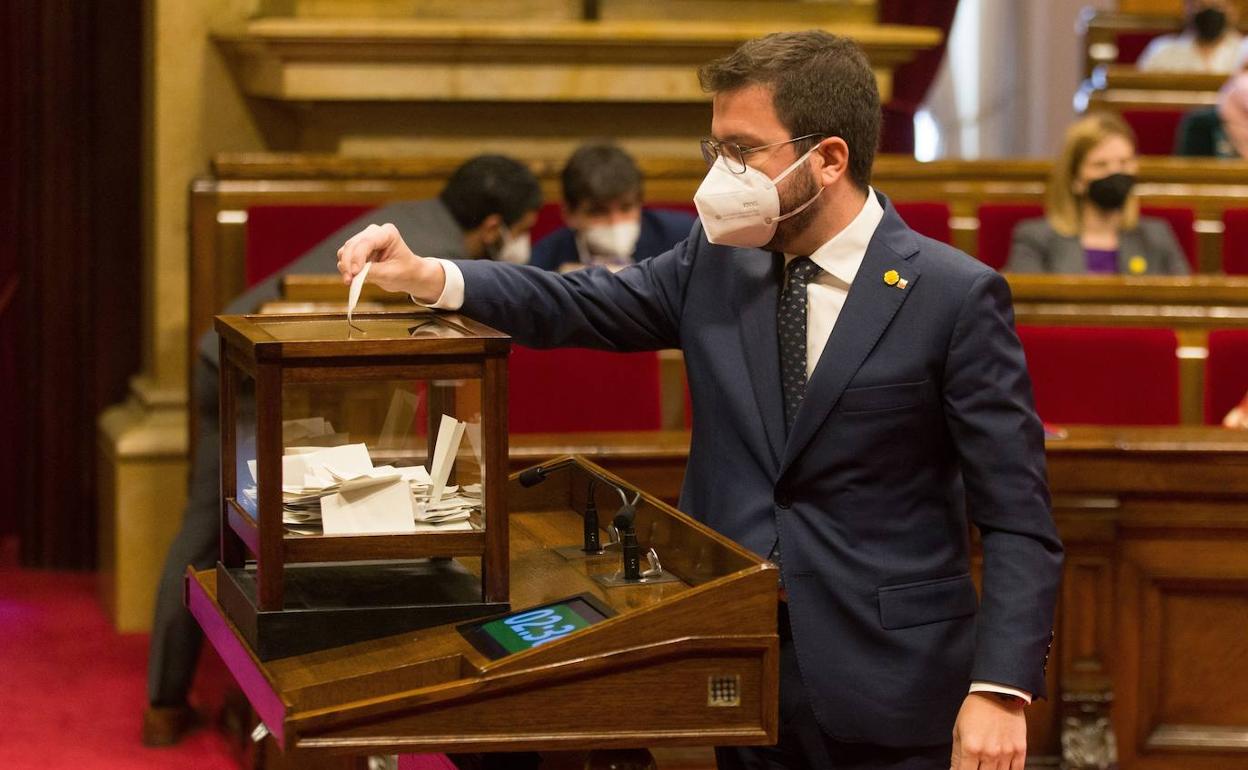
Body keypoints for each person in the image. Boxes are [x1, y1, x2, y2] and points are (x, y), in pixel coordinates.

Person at [337, 31, 1064, 770]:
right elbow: (576, 301)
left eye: (743, 153)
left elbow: (1018, 518)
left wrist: (1001, 688)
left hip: (891, 681)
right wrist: (432, 276)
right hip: (736, 658)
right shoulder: (715, 264)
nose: (721, 176)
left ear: (830, 159)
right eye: (715, 150)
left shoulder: (953, 295)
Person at [143, 154, 542, 746]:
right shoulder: (430, 258)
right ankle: (167, 702)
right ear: (492, 226)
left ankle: (173, 699)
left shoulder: (414, 220)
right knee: (214, 531)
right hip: (250, 375)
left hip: (239, 363)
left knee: (219, 528)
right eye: (524, 224)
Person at [1005, 112, 1190, 276]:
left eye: (1124, 163)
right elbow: (1029, 308)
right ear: (1075, 178)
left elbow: (1182, 303)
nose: (1115, 173)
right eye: (1101, 165)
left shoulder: (1156, 236)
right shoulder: (1035, 240)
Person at [529, 142, 695, 272]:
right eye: (598, 211)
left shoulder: (683, 239)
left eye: (626, 208)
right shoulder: (546, 260)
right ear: (570, 215)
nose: (615, 222)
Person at [1136, 0, 1245, 74]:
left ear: (1234, 11)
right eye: (1201, 5)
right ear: (1186, 9)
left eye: (1218, 5)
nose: (1209, 12)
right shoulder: (1162, 50)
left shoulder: (1245, 50)